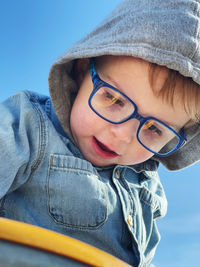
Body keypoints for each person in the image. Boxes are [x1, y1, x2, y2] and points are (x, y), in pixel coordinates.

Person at [0, 0, 200, 266]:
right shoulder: (29, 127)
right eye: (114, 99)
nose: (122, 135)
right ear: (83, 70)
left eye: (154, 129)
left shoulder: (147, 189)